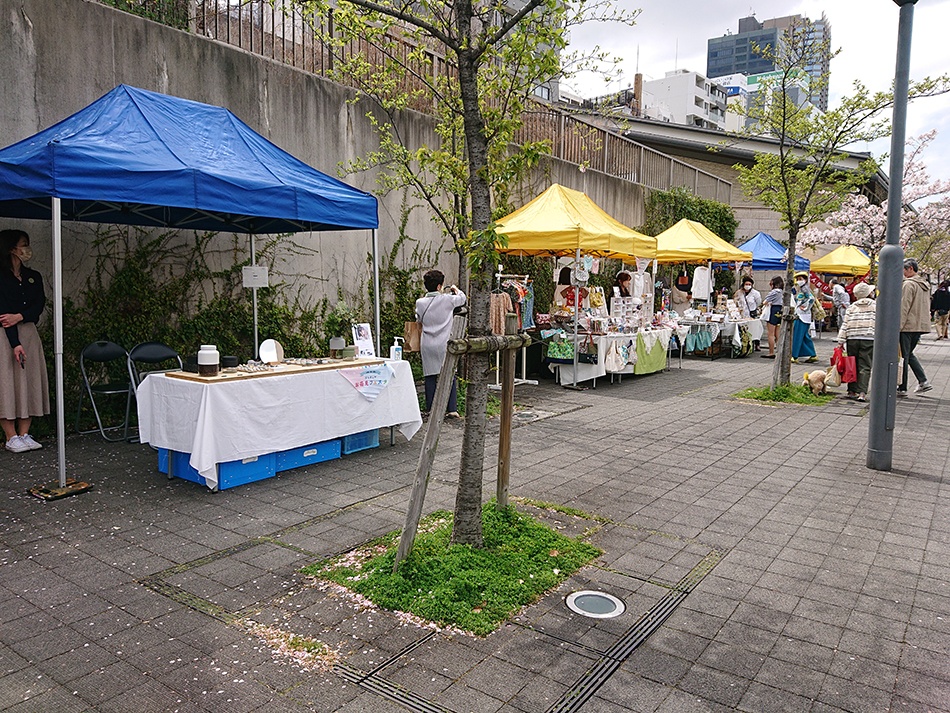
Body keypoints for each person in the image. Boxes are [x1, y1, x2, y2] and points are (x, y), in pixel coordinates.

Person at [0, 229, 50, 452]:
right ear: (11, 248)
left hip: (29, 332)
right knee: (7, 381)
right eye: (23, 244)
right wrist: (14, 342)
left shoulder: (33, 276)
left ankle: (25, 432)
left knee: (29, 380)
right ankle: (10, 436)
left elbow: (38, 306)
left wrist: (21, 316)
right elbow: (3, 314)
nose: (27, 249)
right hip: (4, 336)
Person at [415, 269, 467, 416]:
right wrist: (455, 289)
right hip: (444, 342)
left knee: (430, 376)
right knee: (449, 373)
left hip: (427, 343)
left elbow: (418, 320)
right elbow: (462, 298)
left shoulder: (420, 303)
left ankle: (432, 409)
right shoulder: (448, 299)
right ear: (439, 286)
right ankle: (452, 409)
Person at [836, 282, 876, 402]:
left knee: (851, 364)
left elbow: (845, 324)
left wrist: (841, 341)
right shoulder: (876, 306)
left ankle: (851, 390)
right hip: (868, 338)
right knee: (865, 365)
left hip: (852, 338)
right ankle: (862, 392)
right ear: (869, 293)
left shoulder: (852, 307)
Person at [898, 258, 932, 395]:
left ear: (910, 268)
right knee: (908, 354)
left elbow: (904, 306)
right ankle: (923, 381)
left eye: (903, 269)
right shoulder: (924, 285)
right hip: (919, 325)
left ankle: (902, 387)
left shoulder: (908, 285)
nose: (902, 272)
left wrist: (898, 326)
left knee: (904, 356)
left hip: (907, 326)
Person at [791, 271, 818, 363]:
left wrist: (805, 308)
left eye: (801, 279)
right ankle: (812, 354)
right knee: (804, 337)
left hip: (802, 316)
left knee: (797, 336)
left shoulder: (805, 289)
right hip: (802, 316)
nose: (799, 281)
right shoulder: (801, 289)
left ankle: (794, 356)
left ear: (805, 280)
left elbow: (811, 299)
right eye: (798, 279)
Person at [761, 275, 784, 359]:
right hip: (780, 310)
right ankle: (779, 351)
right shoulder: (782, 292)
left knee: (770, 333)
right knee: (777, 333)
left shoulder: (774, 292)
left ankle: (771, 352)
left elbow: (765, 302)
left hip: (773, 310)